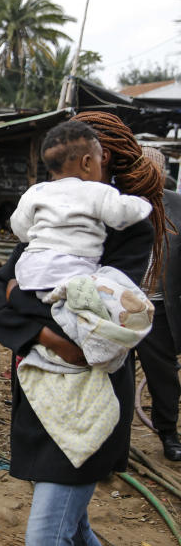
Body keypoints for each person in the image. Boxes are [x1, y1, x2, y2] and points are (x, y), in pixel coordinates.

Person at [0, 110, 166, 546]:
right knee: (73, 528)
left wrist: (18, 297)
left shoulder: (130, 229)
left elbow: (98, 318)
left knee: (47, 536)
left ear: (102, 164)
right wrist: (46, 335)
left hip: (90, 397)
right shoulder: (51, 220)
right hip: (40, 393)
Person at [9, 121, 154, 469]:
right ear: (90, 163)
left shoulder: (36, 194)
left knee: (68, 472)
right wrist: (145, 203)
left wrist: (19, 300)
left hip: (32, 273)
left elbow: (19, 229)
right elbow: (125, 212)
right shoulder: (101, 196)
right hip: (72, 286)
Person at [136, 146, 181, 461]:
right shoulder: (118, 202)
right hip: (119, 306)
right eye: (143, 169)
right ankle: (111, 442)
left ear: (164, 174)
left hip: (160, 306)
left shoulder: (177, 206)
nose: (150, 176)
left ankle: (168, 432)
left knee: (163, 374)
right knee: (114, 373)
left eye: (156, 170)